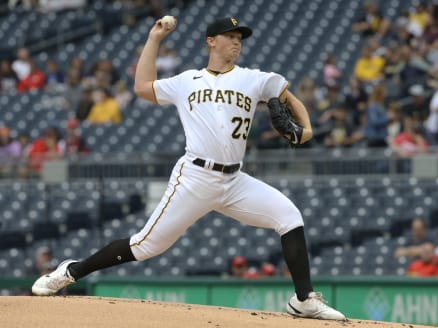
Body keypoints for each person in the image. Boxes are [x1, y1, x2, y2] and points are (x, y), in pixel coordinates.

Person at [31, 17, 346, 321]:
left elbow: (290, 100)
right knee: (145, 245)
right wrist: (154, 39)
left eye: (240, 38)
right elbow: (142, 87)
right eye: (231, 36)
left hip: (235, 180)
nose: (237, 42)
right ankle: (70, 271)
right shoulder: (187, 81)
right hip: (195, 176)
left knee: (289, 217)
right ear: (211, 41)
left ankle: (303, 300)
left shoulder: (254, 78)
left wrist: (305, 131)